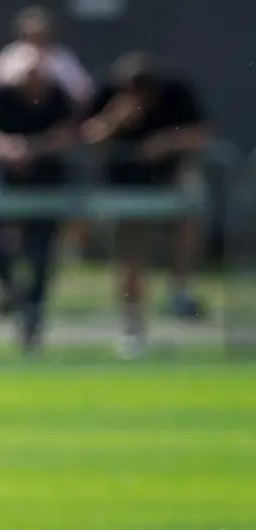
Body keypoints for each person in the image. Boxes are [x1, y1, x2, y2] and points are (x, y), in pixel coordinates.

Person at [82, 53, 211, 357]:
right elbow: (88, 138)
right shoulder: (107, 95)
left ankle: (179, 290)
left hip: (170, 182)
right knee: (130, 257)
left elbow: (201, 133)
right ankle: (132, 329)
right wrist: (114, 119)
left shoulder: (176, 92)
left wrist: (167, 142)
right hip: (126, 188)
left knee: (192, 211)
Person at [0, 45, 77, 352]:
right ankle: (11, 290)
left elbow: (71, 132)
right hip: (7, 181)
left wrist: (33, 148)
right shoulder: (3, 96)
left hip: (47, 183)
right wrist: (6, 148)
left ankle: (32, 322)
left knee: (40, 253)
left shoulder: (57, 97)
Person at [0, 7, 92, 110]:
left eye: (41, 35)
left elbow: (81, 90)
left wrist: (49, 78)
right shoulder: (11, 56)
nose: (36, 39)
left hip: (54, 115)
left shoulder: (63, 58)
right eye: (31, 35)